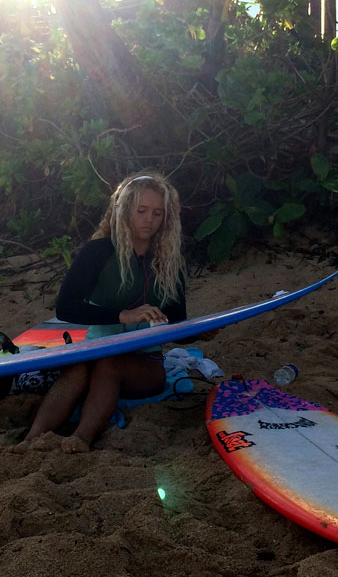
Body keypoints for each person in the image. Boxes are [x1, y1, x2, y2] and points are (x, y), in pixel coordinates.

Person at [12, 172, 215, 453]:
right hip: (95, 350)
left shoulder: (170, 262)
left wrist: (196, 333)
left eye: (158, 213)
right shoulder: (98, 252)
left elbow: (174, 323)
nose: (149, 220)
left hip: (145, 364)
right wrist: (122, 315)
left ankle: (81, 439)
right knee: (79, 367)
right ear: (124, 210)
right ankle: (31, 439)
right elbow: (66, 307)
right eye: (141, 210)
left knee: (109, 366)